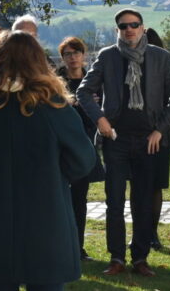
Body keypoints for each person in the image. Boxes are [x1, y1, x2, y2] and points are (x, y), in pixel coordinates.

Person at [0, 31, 96, 291]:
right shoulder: (54, 107)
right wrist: (54, 170)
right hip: (45, 223)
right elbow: (83, 161)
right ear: (38, 61)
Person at [78, 9, 170, 277]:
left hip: (148, 139)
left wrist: (160, 131)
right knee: (114, 201)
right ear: (118, 30)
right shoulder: (108, 56)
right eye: (124, 26)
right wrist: (100, 119)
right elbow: (83, 91)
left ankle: (140, 257)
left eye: (134, 25)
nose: (129, 30)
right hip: (116, 139)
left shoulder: (160, 57)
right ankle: (116, 257)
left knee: (142, 202)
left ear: (143, 28)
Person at [56, 36, 98, 261]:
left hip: (83, 148)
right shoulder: (56, 82)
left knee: (80, 200)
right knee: (61, 200)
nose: (73, 58)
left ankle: (79, 248)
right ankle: (62, 246)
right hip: (61, 150)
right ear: (62, 57)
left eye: (76, 53)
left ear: (84, 55)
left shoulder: (92, 81)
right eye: (68, 54)